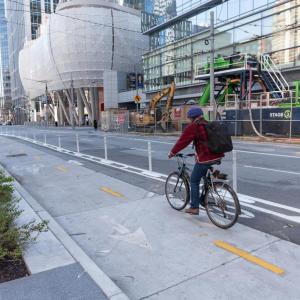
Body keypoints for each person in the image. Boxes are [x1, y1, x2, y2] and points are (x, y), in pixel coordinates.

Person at [168, 107, 224, 215]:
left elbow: (182, 141)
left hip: (205, 158)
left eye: (189, 118)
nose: (189, 120)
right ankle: (205, 194)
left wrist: (172, 153)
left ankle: (194, 207)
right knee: (202, 175)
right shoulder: (208, 123)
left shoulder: (194, 126)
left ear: (192, 118)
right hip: (217, 156)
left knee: (194, 180)